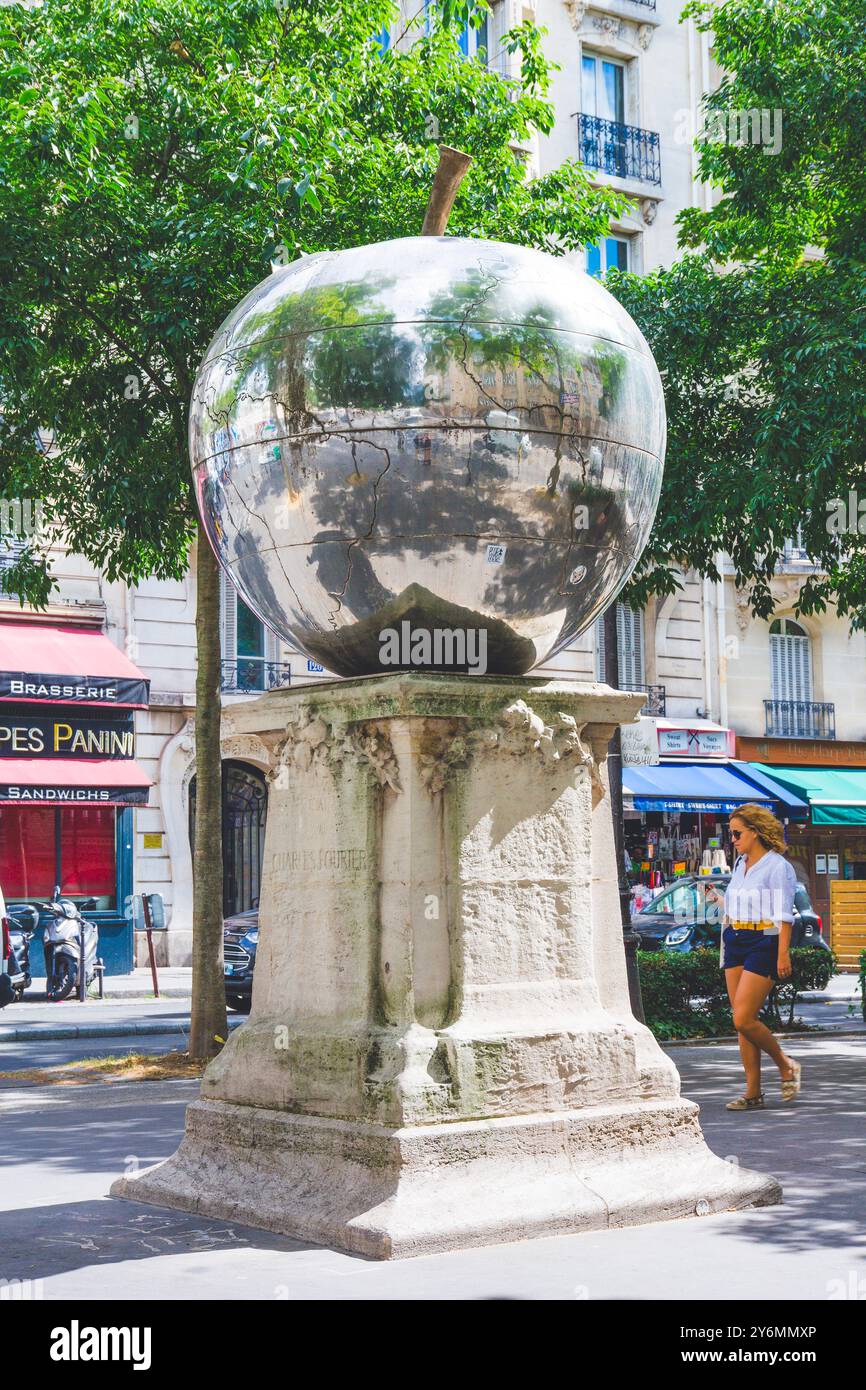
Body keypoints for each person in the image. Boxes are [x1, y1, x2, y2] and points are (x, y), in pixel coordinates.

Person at [716, 804, 803, 1110]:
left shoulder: (777, 866)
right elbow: (736, 903)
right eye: (731, 834)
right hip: (735, 937)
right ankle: (753, 1093)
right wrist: (718, 899)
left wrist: (783, 954)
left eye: (737, 833)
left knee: (742, 1017)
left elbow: (783, 915)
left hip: (763, 940)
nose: (734, 839)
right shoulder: (740, 864)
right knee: (743, 1023)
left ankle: (784, 1064)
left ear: (755, 832)